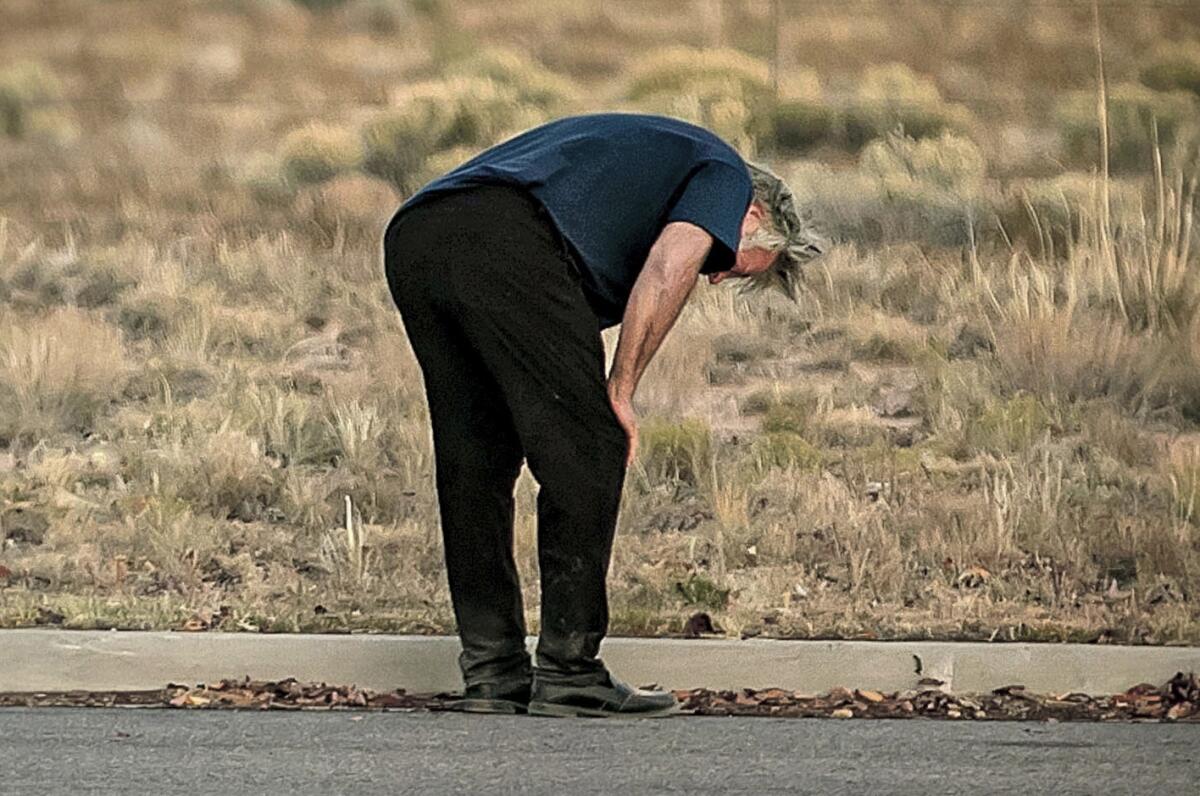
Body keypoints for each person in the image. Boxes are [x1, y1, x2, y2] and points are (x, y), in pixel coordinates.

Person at [381, 112, 821, 718]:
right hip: (504, 235)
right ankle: (569, 672)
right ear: (755, 216)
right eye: (732, 262)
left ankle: (493, 675)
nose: (715, 275)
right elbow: (671, 266)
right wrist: (622, 387)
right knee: (591, 448)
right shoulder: (724, 175)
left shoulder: (649, 169)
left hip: (418, 236)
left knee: (476, 463)